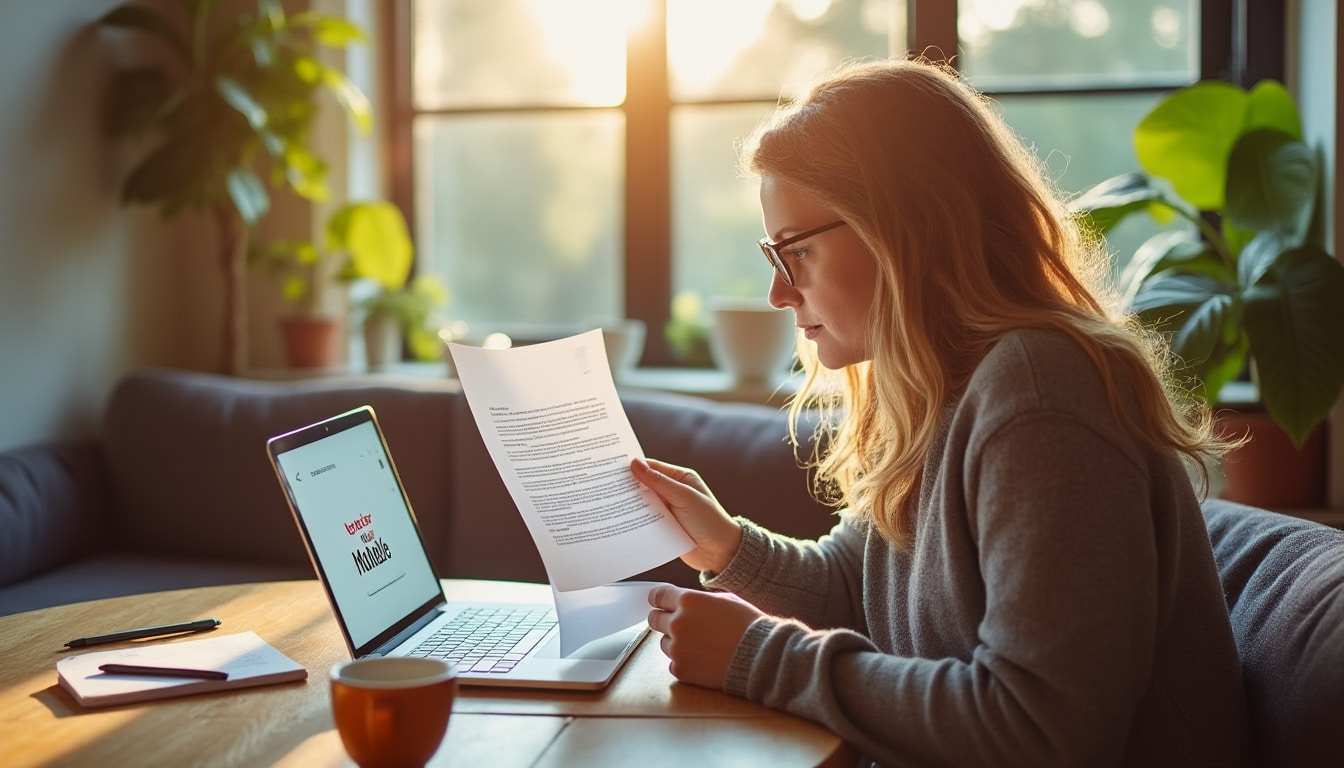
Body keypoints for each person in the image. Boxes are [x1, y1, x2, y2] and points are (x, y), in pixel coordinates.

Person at [631, 57, 1255, 767]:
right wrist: (727, 549)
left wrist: (761, 658)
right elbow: (854, 589)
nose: (779, 293)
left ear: (902, 228)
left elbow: (1041, 731)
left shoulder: (1040, 394)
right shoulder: (943, 387)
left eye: (795, 252)